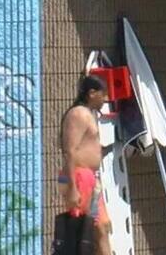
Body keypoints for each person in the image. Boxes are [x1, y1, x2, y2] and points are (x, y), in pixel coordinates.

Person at [59, 74, 111, 255]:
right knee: (87, 230)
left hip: (89, 177)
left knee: (102, 227)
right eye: (103, 94)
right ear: (92, 93)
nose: (106, 99)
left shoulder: (88, 114)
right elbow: (70, 150)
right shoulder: (78, 114)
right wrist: (73, 187)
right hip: (78, 177)